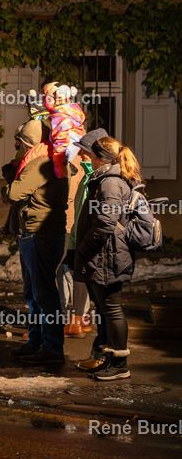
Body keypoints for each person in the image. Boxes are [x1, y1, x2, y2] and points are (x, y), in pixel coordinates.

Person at [1, 119, 69, 365]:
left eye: (21, 141)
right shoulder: (52, 159)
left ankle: (51, 347)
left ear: (29, 141)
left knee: (43, 293)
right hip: (39, 232)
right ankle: (37, 342)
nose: (18, 146)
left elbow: (14, 192)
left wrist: (6, 186)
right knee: (35, 292)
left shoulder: (40, 162)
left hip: (39, 232)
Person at [72, 136, 140, 381]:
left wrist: (84, 249)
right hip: (104, 254)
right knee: (105, 309)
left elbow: (105, 224)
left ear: (99, 156)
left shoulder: (110, 182)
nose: (88, 159)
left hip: (107, 255)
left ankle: (120, 364)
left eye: (90, 155)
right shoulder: (108, 178)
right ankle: (111, 359)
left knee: (112, 309)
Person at [64, 129, 107, 343]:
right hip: (85, 238)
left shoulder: (94, 178)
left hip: (89, 240)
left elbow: (84, 215)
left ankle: (77, 321)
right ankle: (82, 321)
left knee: (82, 279)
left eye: (83, 151)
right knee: (85, 280)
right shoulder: (90, 176)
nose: (80, 155)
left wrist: (78, 244)